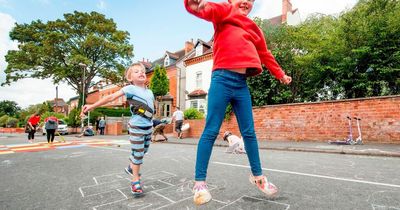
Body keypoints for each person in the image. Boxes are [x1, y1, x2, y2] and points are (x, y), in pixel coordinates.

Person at [184, 0, 293, 205]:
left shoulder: (255, 29)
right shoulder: (225, 11)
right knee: (210, 130)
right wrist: (195, 5)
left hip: (241, 84)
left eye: (251, 0)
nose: (246, 2)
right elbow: (206, 10)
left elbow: (265, 54)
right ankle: (199, 183)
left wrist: (281, 74)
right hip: (222, 80)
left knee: (249, 132)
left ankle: (258, 177)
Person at [81, 63, 155, 197]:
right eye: (136, 71)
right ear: (130, 78)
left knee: (143, 151)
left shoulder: (150, 92)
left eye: (143, 71)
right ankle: (135, 181)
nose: (141, 73)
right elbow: (110, 97)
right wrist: (92, 106)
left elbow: (150, 110)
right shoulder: (130, 88)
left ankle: (130, 167)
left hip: (148, 127)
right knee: (138, 154)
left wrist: (154, 121)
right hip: (137, 126)